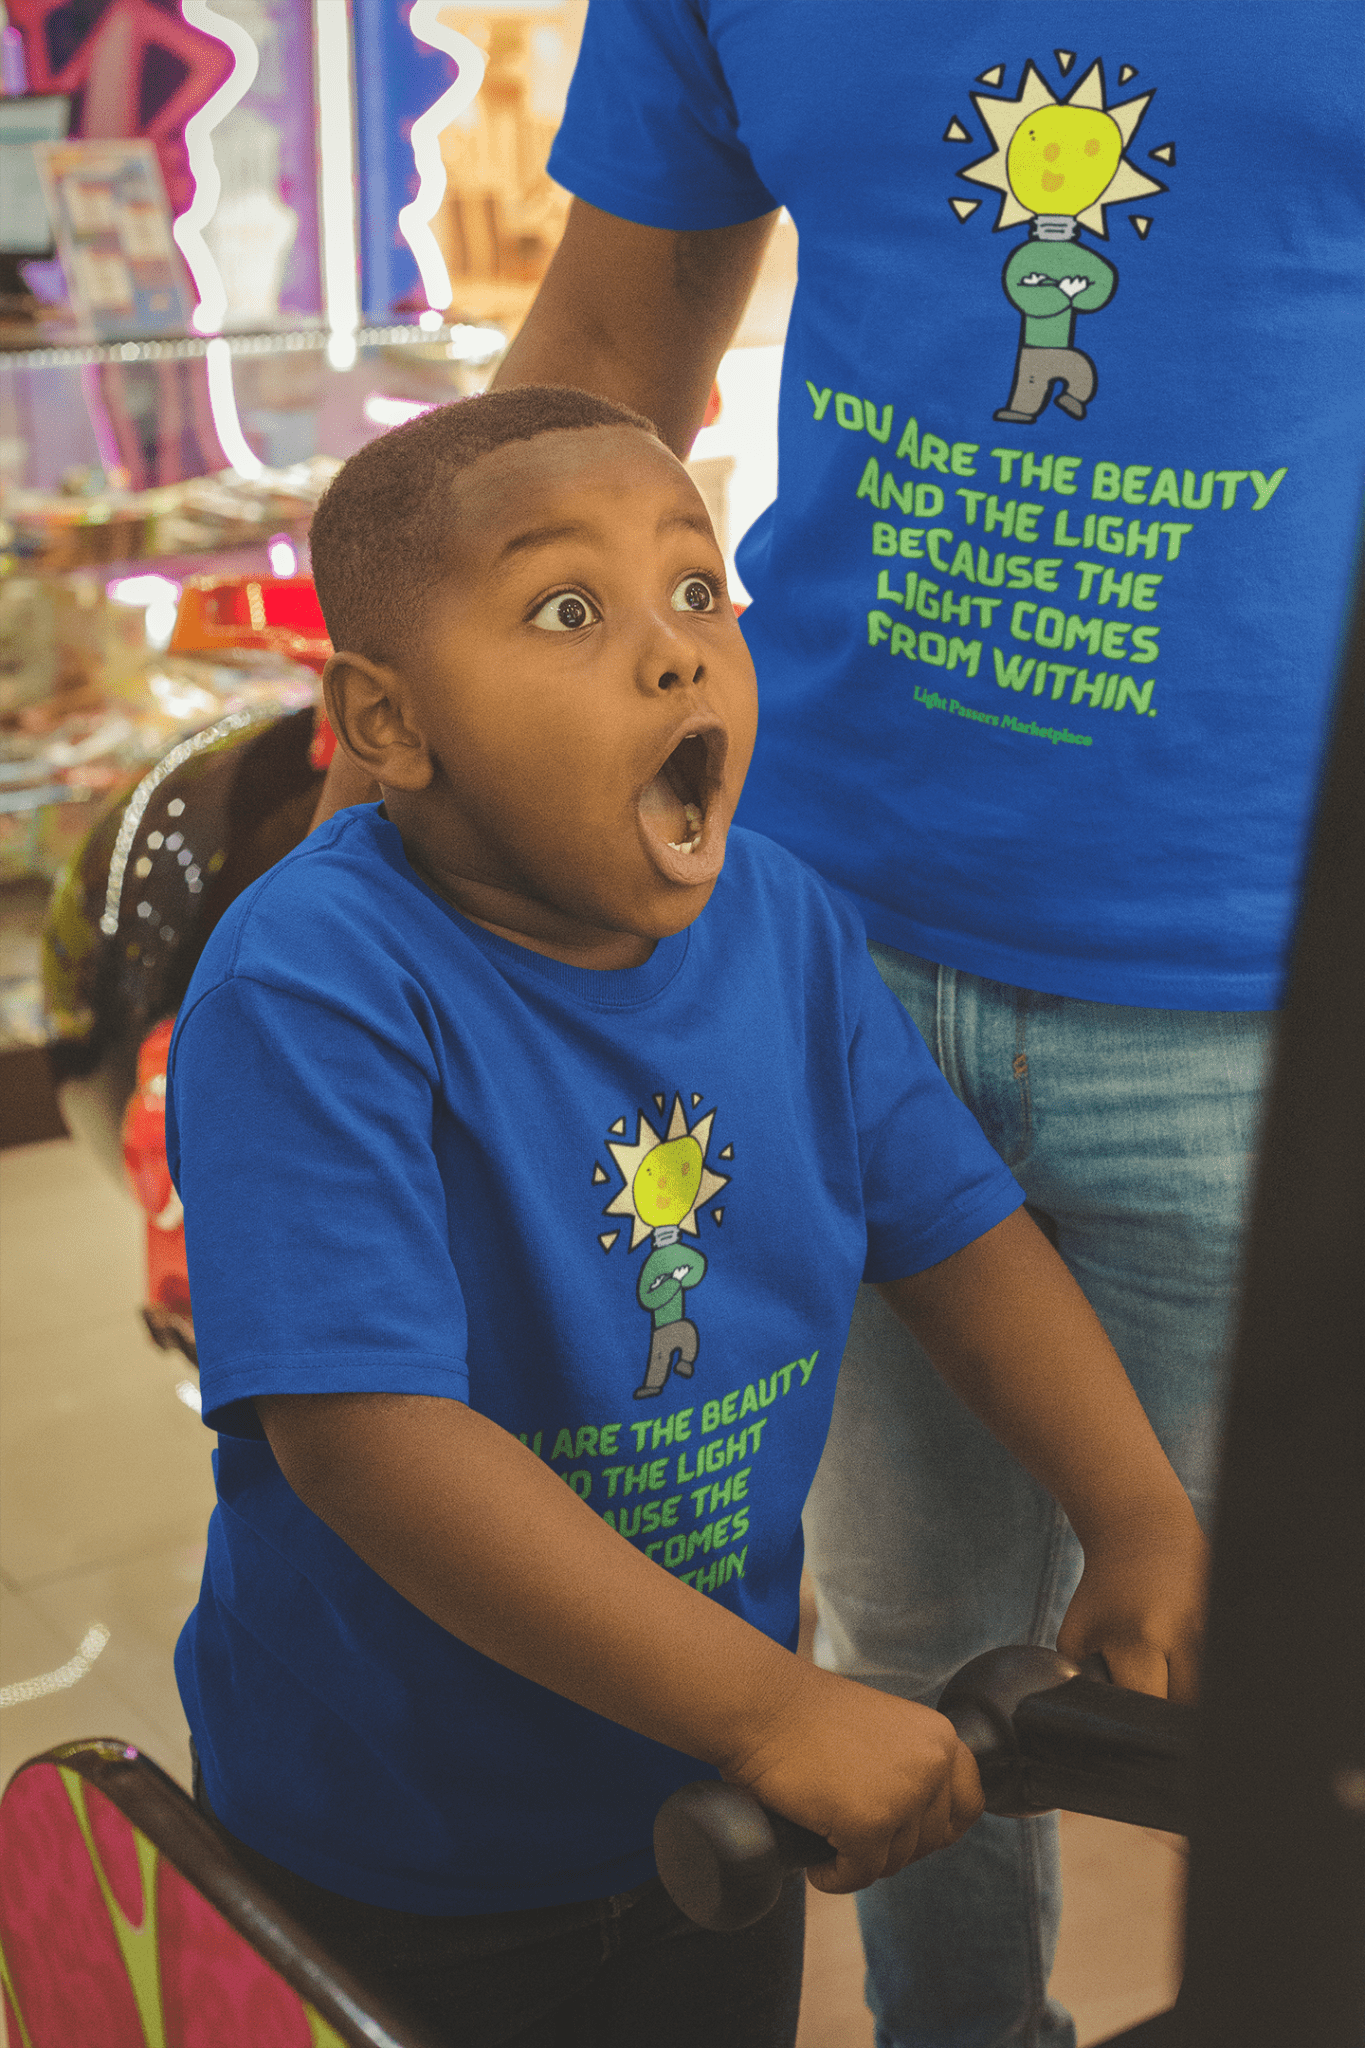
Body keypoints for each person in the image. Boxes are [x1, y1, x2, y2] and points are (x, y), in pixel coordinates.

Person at [313, 10, 1361, 2047]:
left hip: (1260, 985)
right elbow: (609, 346)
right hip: (803, 924)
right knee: (904, 1643)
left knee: (1281, 1684)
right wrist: (414, 788)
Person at [168, 387, 1208, 2048]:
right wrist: (779, 1709)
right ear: (388, 721)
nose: (673, 654)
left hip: (706, 1822)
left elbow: (950, 1227)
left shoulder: (784, 925)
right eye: (569, 610)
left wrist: (1136, 1513)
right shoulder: (314, 988)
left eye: (697, 591)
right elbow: (366, 1437)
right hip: (402, 1853)